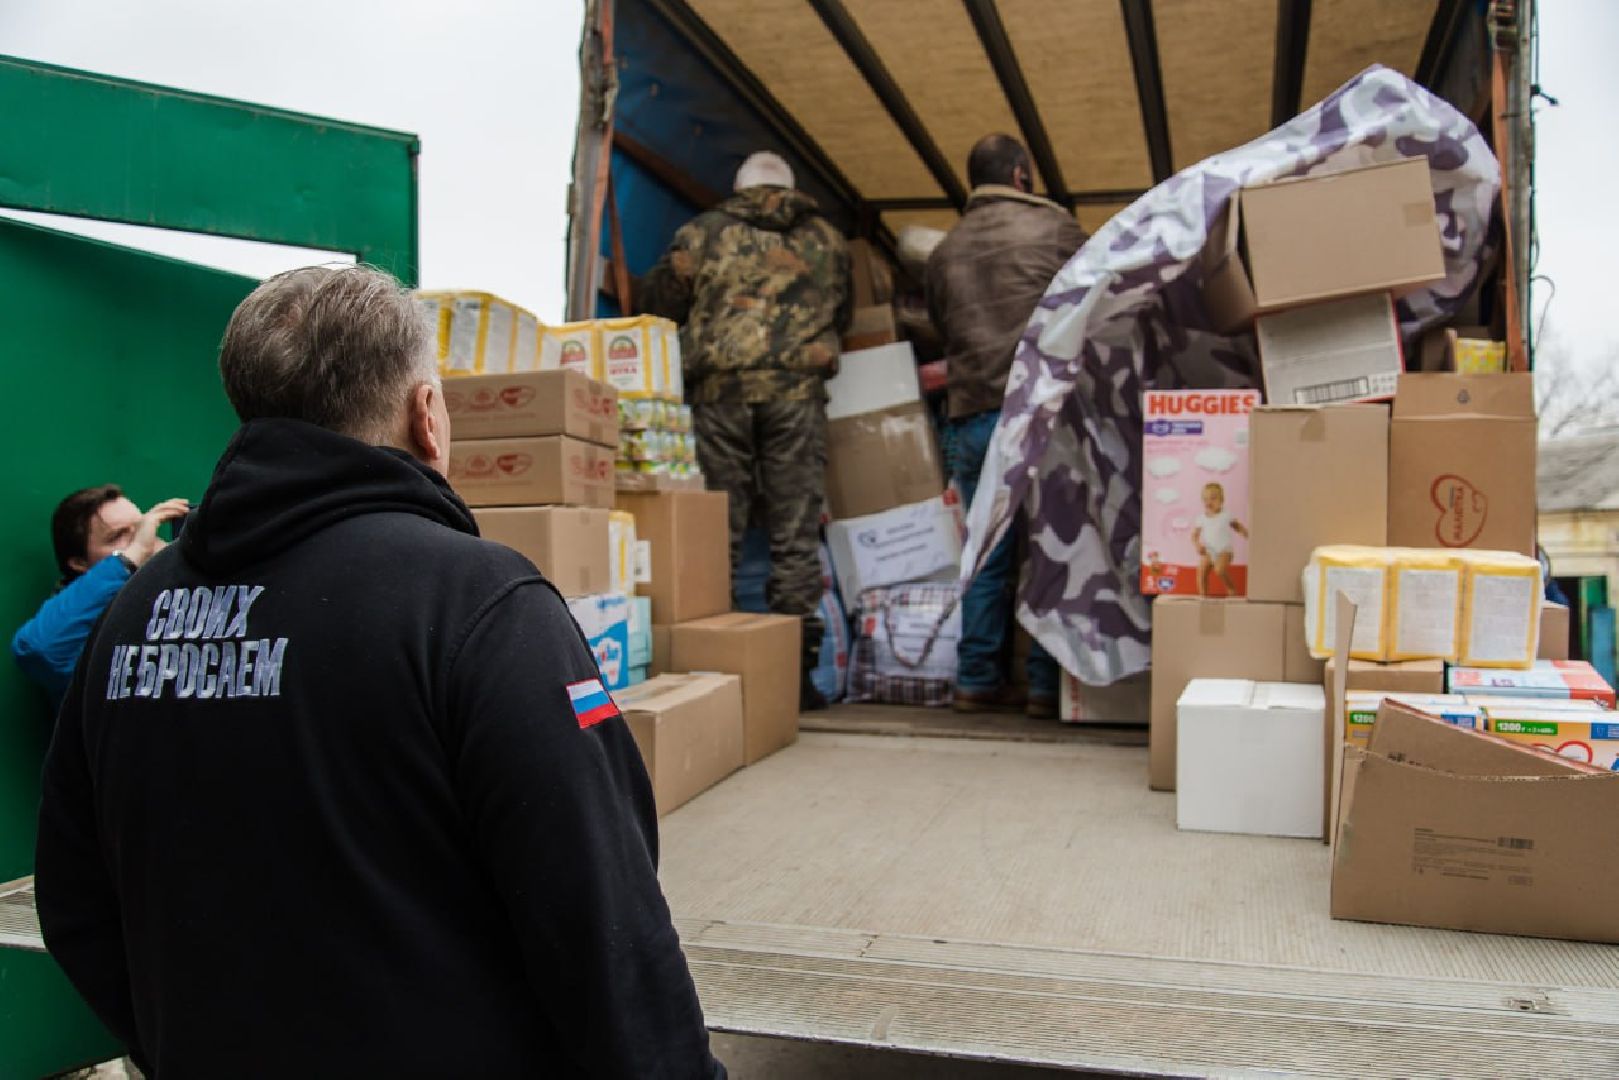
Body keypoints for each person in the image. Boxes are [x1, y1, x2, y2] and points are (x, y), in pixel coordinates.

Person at [36, 266, 724, 1080]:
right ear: (426, 416)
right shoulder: (479, 603)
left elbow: (74, 898)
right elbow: (603, 920)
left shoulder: (134, 611)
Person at [639, 150, 851, 711]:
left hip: (721, 397)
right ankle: (796, 678)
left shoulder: (701, 233)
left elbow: (659, 302)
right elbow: (842, 313)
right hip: (796, 396)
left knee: (718, 537)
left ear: (739, 187)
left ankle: (714, 665)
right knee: (795, 536)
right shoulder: (829, 240)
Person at [926, 134, 1088, 718]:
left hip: (971, 415)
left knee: (986, 554)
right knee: (1047, 551)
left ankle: (975, 680)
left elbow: (943, 327)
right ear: (1022, 175)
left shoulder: (945, 251)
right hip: (1041, 411)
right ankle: (1046, 690)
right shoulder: (1060, 231)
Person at [12, 487, 189, 711]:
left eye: (141, 527)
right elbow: (40, 649)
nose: (146, 538)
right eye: (118, 536)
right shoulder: (75, 623)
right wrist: (132, 555)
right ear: (79, 563)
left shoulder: (180, 596)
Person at [1193, 482, 1247, 597]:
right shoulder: (1201, 518)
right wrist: (1197, 545)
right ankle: (1203, 595)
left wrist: (1247, 534)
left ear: (1221, 500)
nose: (1209, 502)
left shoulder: (1226, 515)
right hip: (1209, 550)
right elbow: (1194, 535)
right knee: (1201, 571)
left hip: (1224, 550)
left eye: (1213, 498)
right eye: (1206, 499)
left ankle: (1231, 588)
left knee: (1219, 570)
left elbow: (1237, 526)